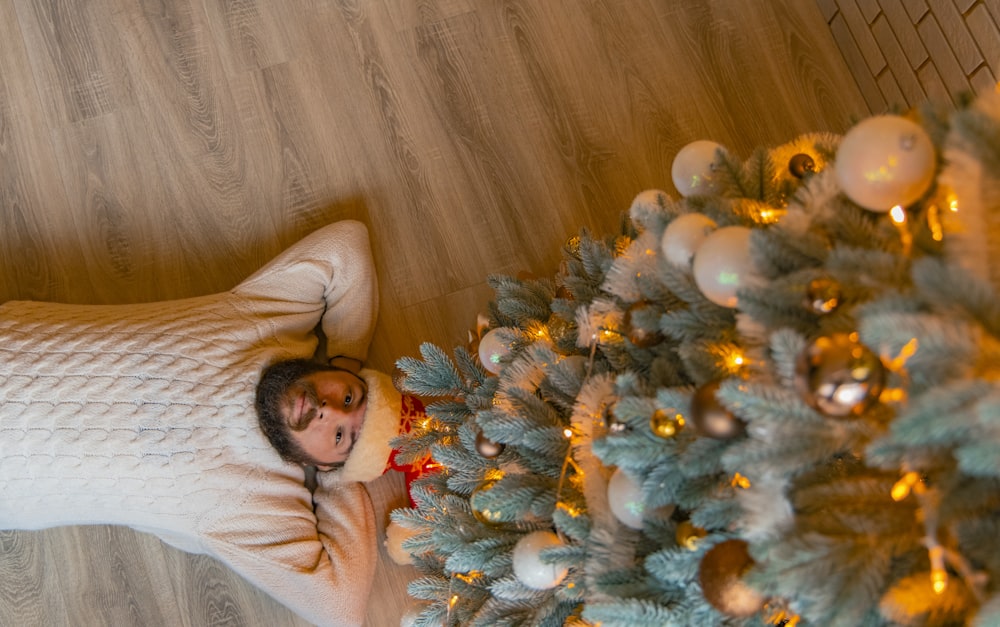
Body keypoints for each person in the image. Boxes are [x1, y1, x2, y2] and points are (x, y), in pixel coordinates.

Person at [0, 220, 382, 627]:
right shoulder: (271, 324)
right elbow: (347, 243)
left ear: (325, 464)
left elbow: (340, 608)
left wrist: (342, 476)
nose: (329, 410)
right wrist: (347, 356)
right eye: (348, 395)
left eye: (341, 435)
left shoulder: (255, 507)